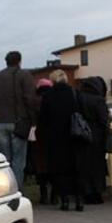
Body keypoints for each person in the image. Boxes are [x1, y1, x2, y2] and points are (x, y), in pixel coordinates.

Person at [0, 51, 35, 189]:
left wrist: (0, 114)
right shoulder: (24, 75)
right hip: (19, 122)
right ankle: (16, 190)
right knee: (18, 162)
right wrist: (33, 120)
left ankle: (4, 190)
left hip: (2, 122)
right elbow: (29, 99)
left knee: (5, 161)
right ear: (19, 61)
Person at [40, 70, 84, 211]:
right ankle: (79, 200)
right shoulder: (74, 93)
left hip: (55, 137)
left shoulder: (48, 96)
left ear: (52, 81)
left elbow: (43, 119)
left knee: (60, 170)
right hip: (74, 135)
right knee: (76, 168)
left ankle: (64, 200)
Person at [77, 76, 110, 204]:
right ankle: (97, 193)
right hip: (96, 136)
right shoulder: (98, 100)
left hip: (80, 134)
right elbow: (103, 119)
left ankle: (86, 192)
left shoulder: (78, 97)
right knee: (97, 166)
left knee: (83, 165)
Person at [30, 78, 56, 205]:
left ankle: (43, 194)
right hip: (53, 136)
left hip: (37, 136)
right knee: (54, 165)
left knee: (40, 166)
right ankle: (54, 195)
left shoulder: (34, 100)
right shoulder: (54, 99)